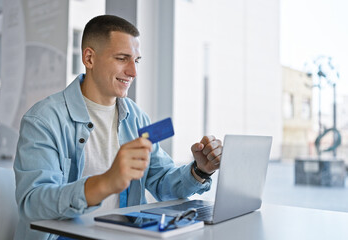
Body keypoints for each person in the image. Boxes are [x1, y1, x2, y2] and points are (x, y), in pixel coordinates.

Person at [13, 15, 222, 240]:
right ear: (89, 58)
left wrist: (200, 171)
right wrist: (105, 183)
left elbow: (161, 181)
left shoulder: (137, 118)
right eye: (122, 58)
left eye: (136, 60)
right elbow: (33, 204)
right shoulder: (43, 120)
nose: (133, 72)